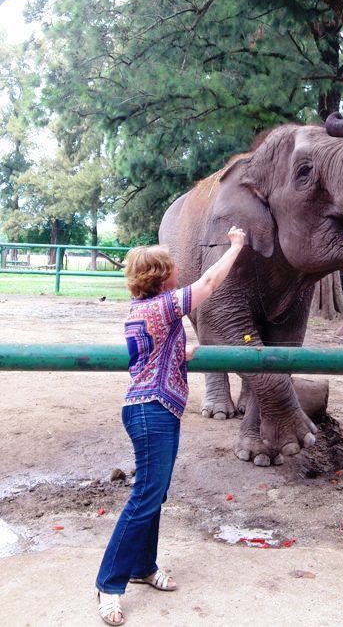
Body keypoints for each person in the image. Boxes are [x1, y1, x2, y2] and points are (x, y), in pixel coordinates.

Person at [96, 226, 246, 626]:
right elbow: (210, 282)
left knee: (154, 494)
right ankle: (109, 584)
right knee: (145, 496)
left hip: (153, 408)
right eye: (173, 266)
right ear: (162, 275)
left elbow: (158, 352)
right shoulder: (162, 307)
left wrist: (183, 352)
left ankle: (144, 565)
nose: (179, 270)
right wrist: (236, 247)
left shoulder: (145, 311)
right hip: (152, 411)